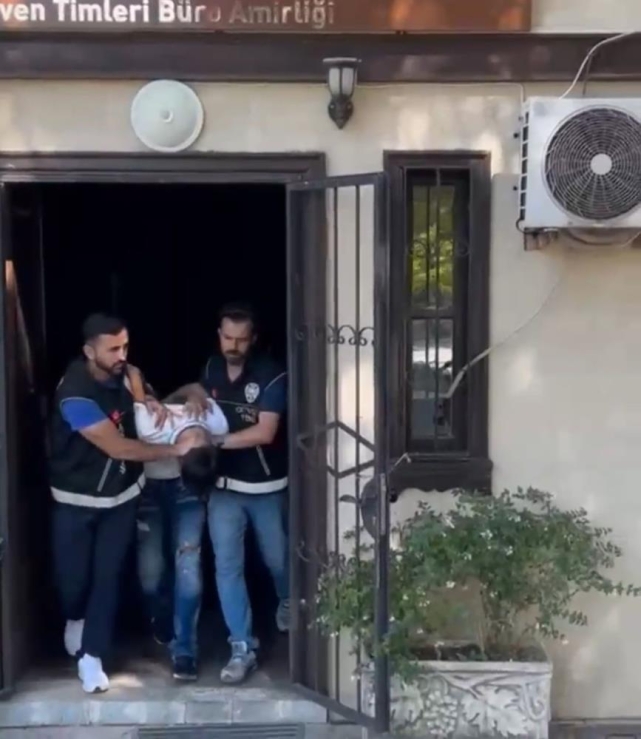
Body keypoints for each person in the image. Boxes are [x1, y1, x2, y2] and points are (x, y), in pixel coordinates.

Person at [48, 313, 198, 694]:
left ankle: (92, 658)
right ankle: (75, 616)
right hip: (76, 500)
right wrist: (176, 450)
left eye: (125, 346)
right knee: (73, 581)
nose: (122, 355)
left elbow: (138, 390)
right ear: (89, 352)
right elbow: (117, 447)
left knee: (108, 576)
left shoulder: (126, 373)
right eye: (113, 349)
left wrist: (150, 401)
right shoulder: (74, 395)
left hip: (123, 497)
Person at [172, 303, 289, 684]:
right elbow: (193, 396)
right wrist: (190, 396)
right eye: (228, 337)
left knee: (278, 560)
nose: (234, 346)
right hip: (223, 489)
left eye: (241, 339)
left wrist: (214, 441)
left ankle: (288, 600)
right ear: (219, 336)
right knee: (227, 568)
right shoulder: (211, 368)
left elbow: (266, 432)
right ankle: (242, 647)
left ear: (253, 339)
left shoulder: (271, 373)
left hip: (266, 487)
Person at [129, 368, 229, 651]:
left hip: (188, 494)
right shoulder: (151, 425)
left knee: (188, 570)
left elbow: (194, 390)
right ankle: (162, 616)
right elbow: (135, 376)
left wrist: (192, 395)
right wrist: (165, 398)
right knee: (150, 574)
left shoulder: (217, 424)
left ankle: (185, 649)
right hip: (150, 493)